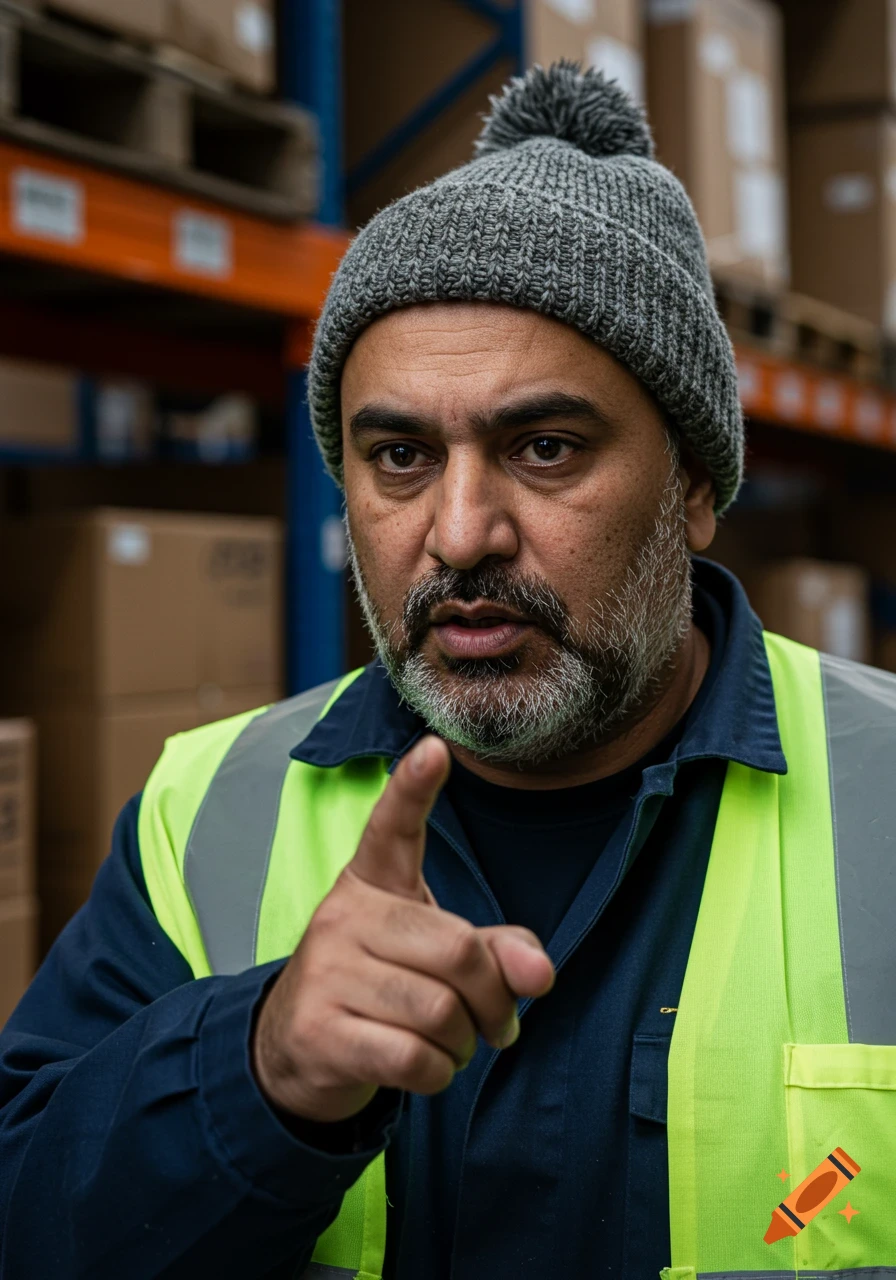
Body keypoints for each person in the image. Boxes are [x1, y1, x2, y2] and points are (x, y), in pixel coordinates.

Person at [1, 60, 894, 1280]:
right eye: (401, 456)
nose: (461, 531)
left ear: (691, 484)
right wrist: (252, 1070)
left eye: (543, 446)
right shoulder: (203, 813)